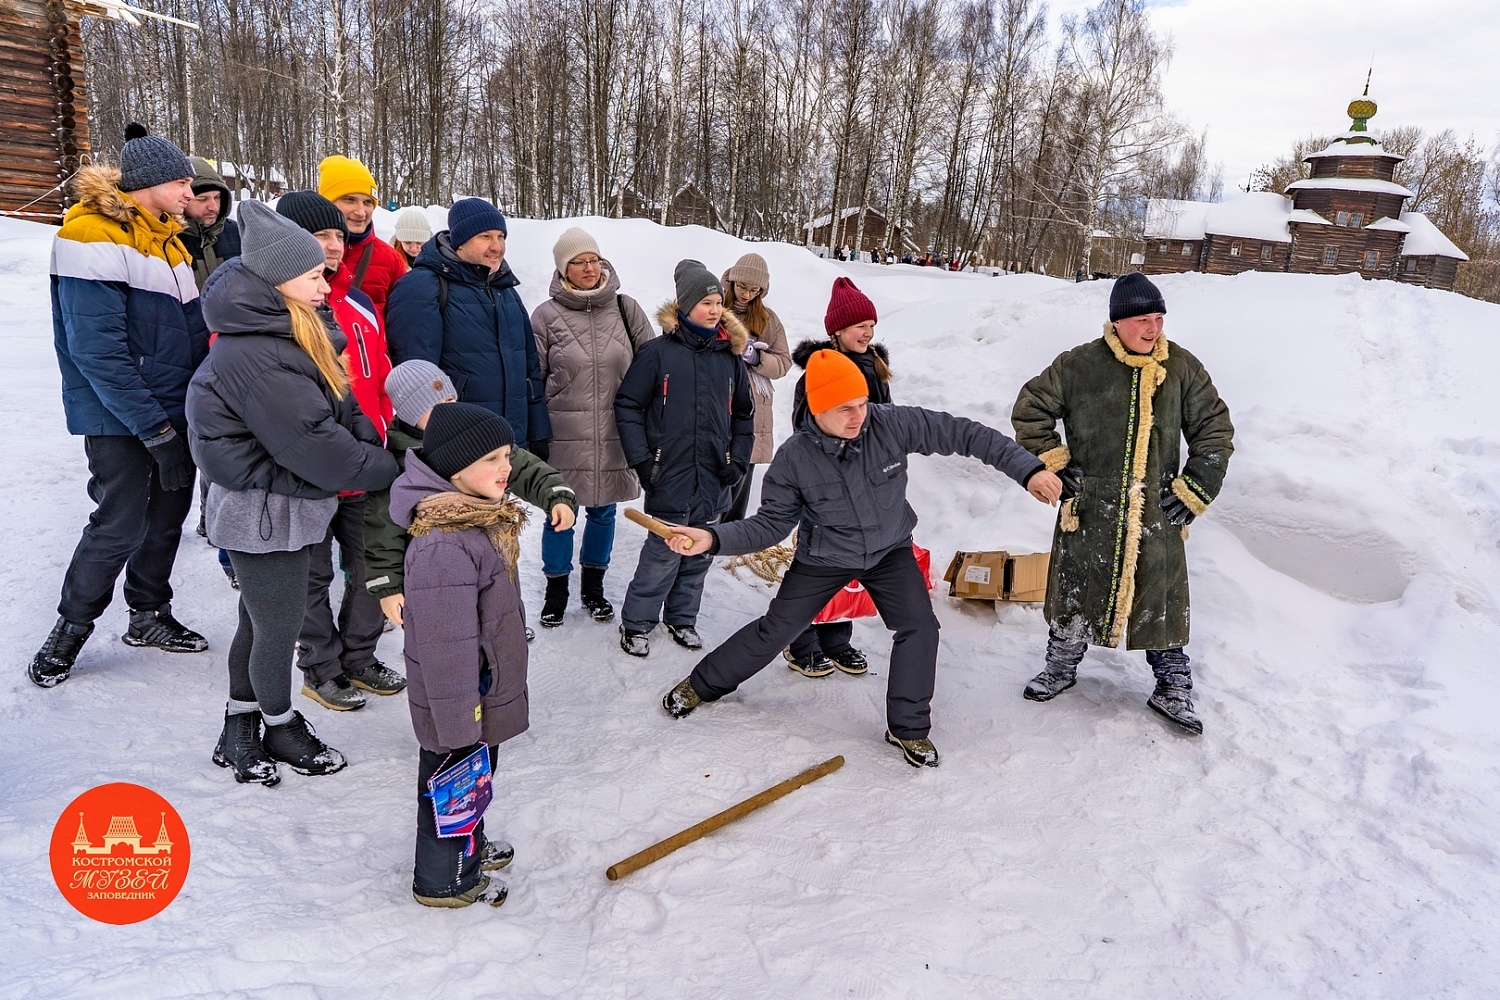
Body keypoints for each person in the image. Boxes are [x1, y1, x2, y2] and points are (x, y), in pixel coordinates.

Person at [659, 350, 1062, 767]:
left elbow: (968, 434)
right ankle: (701, 685)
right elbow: (769, 526)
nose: (858, 416)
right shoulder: (794, 460)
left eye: (862, 404)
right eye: (844, 409)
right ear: (817, 409)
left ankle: (907, 729)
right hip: (825, 558)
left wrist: (1028, 470)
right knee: (777, 630)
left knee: (920, 628)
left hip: (890, 551)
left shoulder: (890, 424)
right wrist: (710, 537)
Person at [188, 201, 399, 785]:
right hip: (263, 515)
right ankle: (278, 724)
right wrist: (390, 470)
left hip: (285, 507)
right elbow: (316, 446)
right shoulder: (261, 353)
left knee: (260, 623)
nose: (324, 279)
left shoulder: (289, 332)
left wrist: (367, 445)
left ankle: (240, 725)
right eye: (311, 273)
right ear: (277, 279)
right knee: (275, 629)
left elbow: (344, 405)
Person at [1010, 272, 1234, 735]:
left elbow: (1215, 430)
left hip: (1156, 509)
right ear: (1116, 323)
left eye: (1158, 318)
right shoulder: (1078, 365)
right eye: (1142, 321)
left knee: (1162, 599)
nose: (1153, 329)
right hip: (1090, 505)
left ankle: (1172, 686)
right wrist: (1055, 462)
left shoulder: (1182, 368)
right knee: (1076, 590)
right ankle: (1060, 666)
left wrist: (1194, 488)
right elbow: (1031, 408)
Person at [28, 123, 211, 689]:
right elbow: (96, 351)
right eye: (182, 181)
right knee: (120, 521)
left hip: (172, 408)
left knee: (168, 517)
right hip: (120, 413)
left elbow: (189, 333)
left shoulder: (168, 241)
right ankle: (70, 629)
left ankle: (149, 614)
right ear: (150, 183)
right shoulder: (91, 236)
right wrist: (153, 428)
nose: (191, 192)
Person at [388, 403, 533, 908]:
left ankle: (467, 850)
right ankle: (445, 881)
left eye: (507, 456)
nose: (505, 468)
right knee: (451, 783)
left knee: (471, 781)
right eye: (491, 458)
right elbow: (444, 649)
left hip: (479, 689)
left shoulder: (472, 521)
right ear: (453, 469)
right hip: (462, 698)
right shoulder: (444, 545)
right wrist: (459, 719)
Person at [274, 191, 403, 711]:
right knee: (311, 574)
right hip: (307, 468)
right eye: (318, 236)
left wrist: (390, 429)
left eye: (335, 235)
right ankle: (320, 666)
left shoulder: (358, 303)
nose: (332, 244)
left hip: (369, 459)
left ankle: (359, 656)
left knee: (376, 561)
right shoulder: (283, 307)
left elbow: (381, 377)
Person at [363, 362, 578, 641]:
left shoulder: (473, 434)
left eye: (451, 400)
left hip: (486, 544)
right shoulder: (399, 461)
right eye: (436, 406)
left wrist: (556, 495)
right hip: (435, 565)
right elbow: (383, 527)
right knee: (451, 625)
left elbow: (522, 466)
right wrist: (388, 587)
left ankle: (502, 628)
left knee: (495, 590)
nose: (448, 409)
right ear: (410, 414)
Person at [613, 260, 754, 657]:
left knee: (700, 553)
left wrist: (738, 461)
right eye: (706, 302)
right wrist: (644, 462)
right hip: (669, 472)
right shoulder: (657, 354)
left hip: (714, 475)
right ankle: (638, 622)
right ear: (685, 305)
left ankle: (682, 618)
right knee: (662, 553)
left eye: (718, 302)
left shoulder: (729, 358)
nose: (714, 309)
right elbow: (627, 406)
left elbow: (744, 415)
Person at [530, 227, 655, 628]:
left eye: (593, 259)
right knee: (560, 513)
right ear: (563, 269)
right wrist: (534, 432)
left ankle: (594, 589)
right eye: (578, 262)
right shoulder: (546, 316)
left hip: (617, 431)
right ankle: (556, 592)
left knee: (603, 512)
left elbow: (651, 367)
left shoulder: (625, 308)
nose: (588, 267)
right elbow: (533, 377)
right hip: (563, 433)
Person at [779, 276, 891, 677]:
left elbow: (887, 428)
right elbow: (802, 430)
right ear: (837, 331)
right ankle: (800, 641)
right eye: (860, 326)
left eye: (871, 326)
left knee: (849, 564)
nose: (868, 332)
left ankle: (836, 638)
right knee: (815, 562)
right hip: (824, 486)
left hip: (866, 486)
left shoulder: (875, 367)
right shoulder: (816, 372)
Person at [386, 198, 552, 451]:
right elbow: (414, 377)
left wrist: (538, 434)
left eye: (501, 236)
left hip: (511, 444)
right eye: (485, 236)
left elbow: (529, 370)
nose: (497, 246)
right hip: (457, 443)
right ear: (460, 241)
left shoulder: (505, 290)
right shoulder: (422, 287)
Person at [718, 252, 793, 524]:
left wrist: (757, 358)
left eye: (754, 290)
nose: (746, 294)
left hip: (753, 404)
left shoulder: (768, 319)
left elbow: (784, 362)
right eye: (741, 287)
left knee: (742, 468)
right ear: (732, 281)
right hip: (719, 396)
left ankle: (731, 530)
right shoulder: (715, 307)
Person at [317, 155, 407, 316]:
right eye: (350, 200)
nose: (360, 212)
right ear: (327, 202)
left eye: (368, 202)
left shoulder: (391, 259)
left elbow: (401, 324)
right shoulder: (302, 250)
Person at [180, 156, 241, 290]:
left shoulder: (238, 233)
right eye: (202, 199)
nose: (213, 207)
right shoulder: (169, 239)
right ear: (182, 199)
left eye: (217, 197)